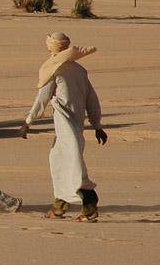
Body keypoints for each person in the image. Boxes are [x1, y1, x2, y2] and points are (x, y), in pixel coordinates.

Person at [19, 32, 108, 222]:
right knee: (61, 163)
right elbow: (92, 100)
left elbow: (41, 100)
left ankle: (89, 207)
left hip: (67, 128)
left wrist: (28, 123)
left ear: (52, 49)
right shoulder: (79, 70)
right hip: (74, 128)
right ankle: (59, 206)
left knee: (73, 166)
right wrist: (97, 125)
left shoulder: (53, 70)